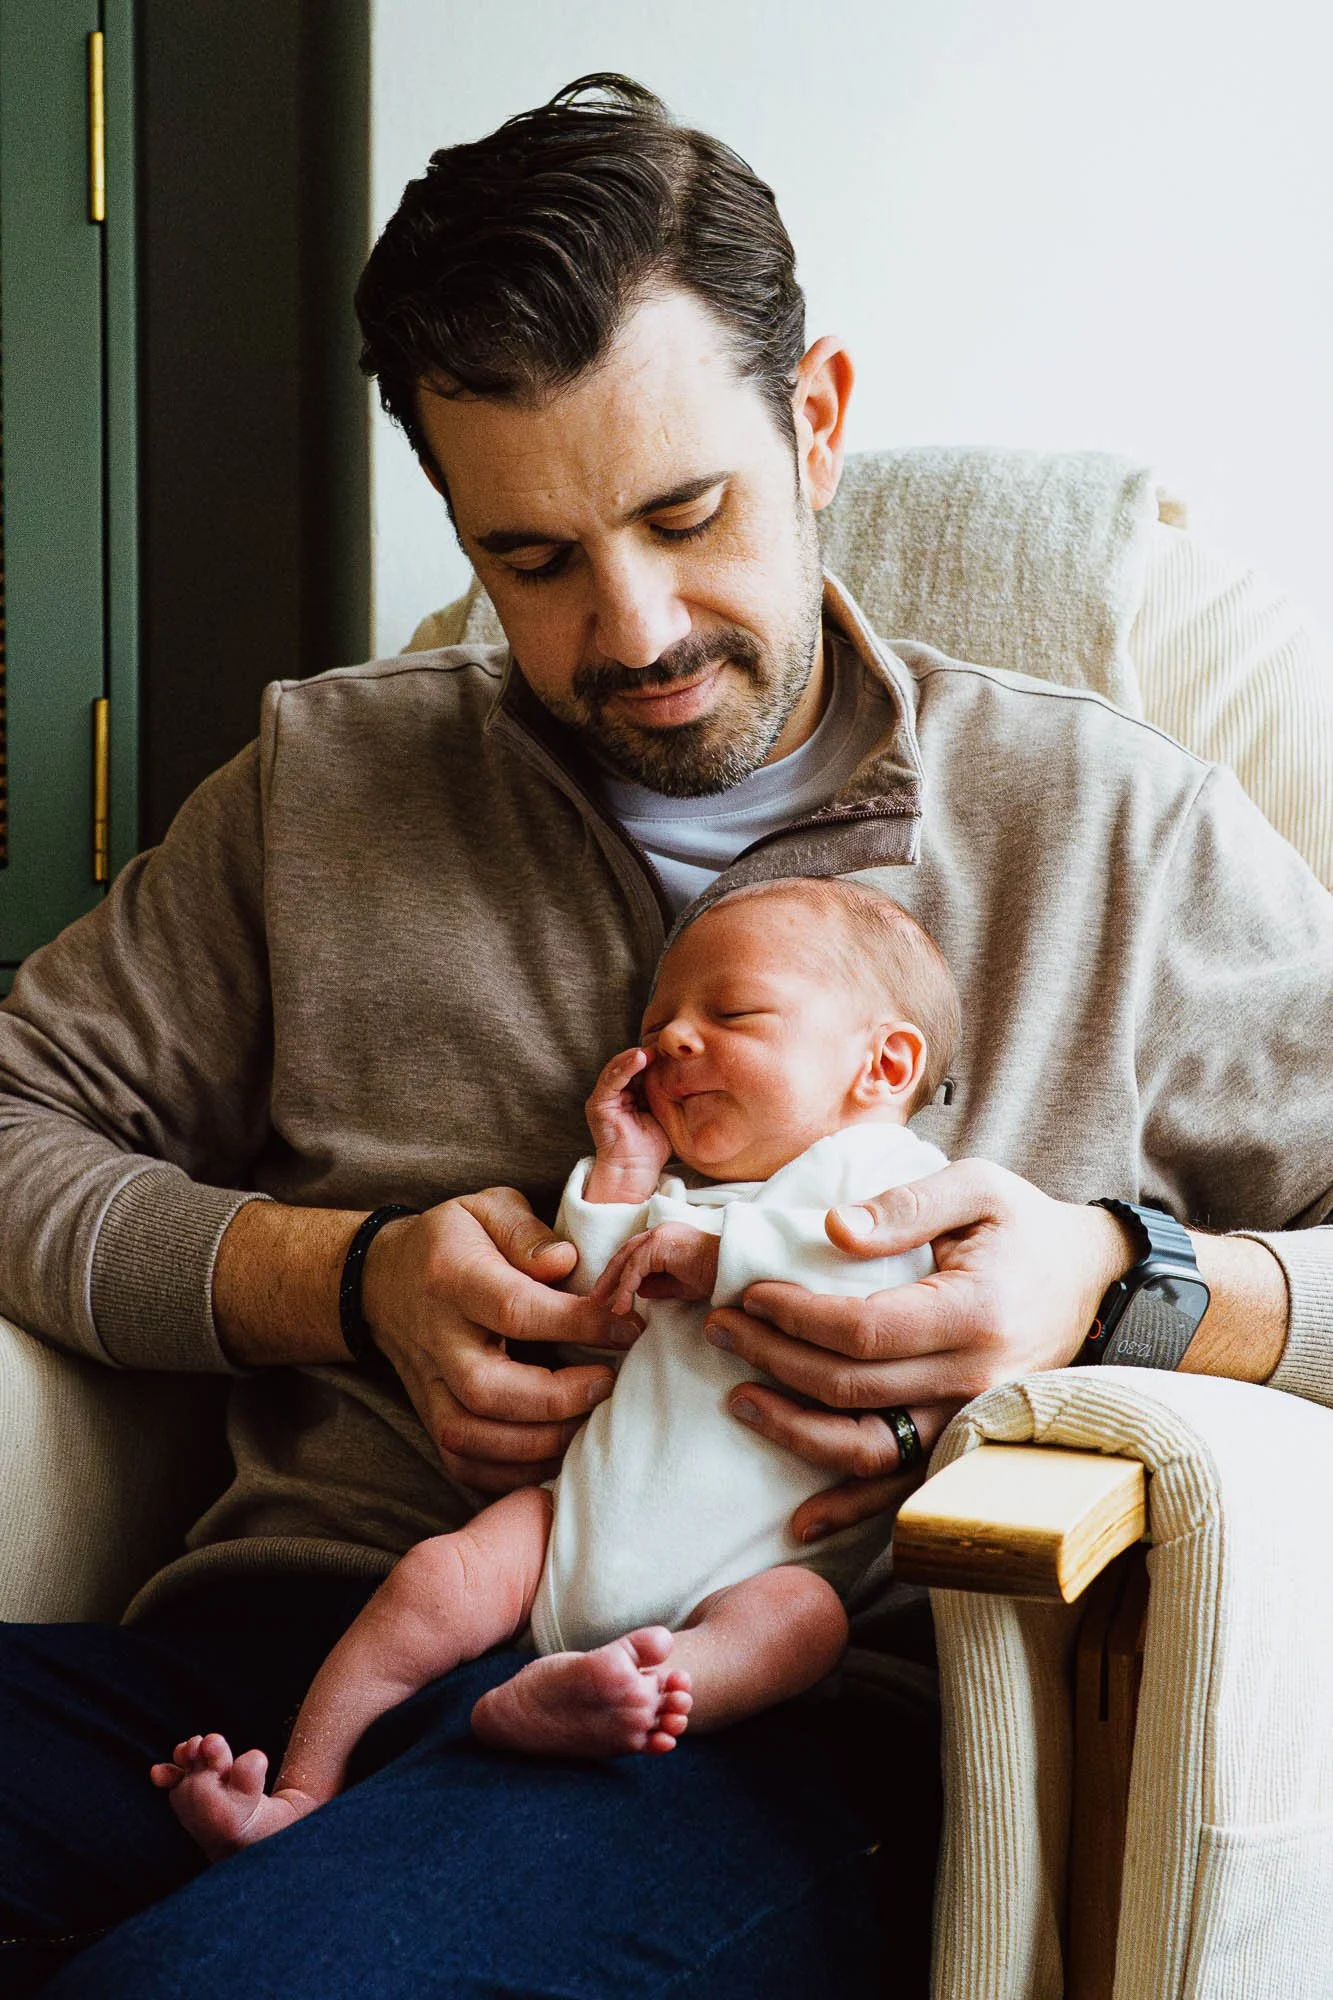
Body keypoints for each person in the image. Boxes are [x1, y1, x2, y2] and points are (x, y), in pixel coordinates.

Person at [0, 70, 1329, 2000]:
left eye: (684, 512)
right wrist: (341, 1282)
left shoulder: (1108, 828)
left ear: (817, 422)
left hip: (750, 1719)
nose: (627, 631)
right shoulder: (323, 783)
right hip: (292, 1648)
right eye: (525, 559)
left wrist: (1122, 1286)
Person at [152, 877, 958, 1856]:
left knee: (803, 1624)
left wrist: (712, 1257)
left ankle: (631, 1689)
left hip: (754, 1567)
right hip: (573, 1523)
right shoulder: (699, 1200)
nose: (672, 1042)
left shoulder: (885, 1174)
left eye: (732, 1012)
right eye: (658, 1027)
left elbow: (860, 1263)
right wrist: (620, 1173)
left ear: (884, 1062)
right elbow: (595, 1317)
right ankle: (300, 1784)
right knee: (437, 1574)